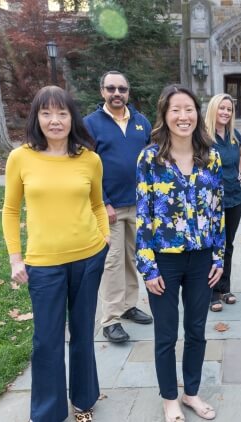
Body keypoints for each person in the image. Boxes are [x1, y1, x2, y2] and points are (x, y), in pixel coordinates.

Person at [2, 86, 110, 422]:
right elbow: (9, 210)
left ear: (71, 117)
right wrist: (15, 258)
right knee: (46, 340)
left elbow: (97, 204)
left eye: (62, 113)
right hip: (44, 264)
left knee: (82, 334)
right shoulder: (20, 158)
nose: (55, 120)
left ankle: (84, 398)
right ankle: (48, 412)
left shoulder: (89, 159)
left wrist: (104, 239)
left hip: (88, 258)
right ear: (36, 118)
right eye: (46, 113)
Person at [135, 84, 225, 422]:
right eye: (176, 109)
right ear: (165, 114)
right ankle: (169, 398)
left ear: (197, 114)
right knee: (166, 333)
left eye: (189, 109)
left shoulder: (211, 157)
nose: (183, 116)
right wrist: (147, 266)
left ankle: (191, 393)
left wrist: (219, 257)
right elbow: (143, 214)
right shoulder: (150, 158)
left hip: (202, 258)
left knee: (197, 330)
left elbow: (218, 212)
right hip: (164, 260)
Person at [84, 70, 153, 344]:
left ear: (128, 92)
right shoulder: (90, 124)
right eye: (111, 88)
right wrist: (103, 202)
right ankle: (110, 319)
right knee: (112, 263)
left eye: (122, 89)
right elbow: (86, 167)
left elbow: (149, 161)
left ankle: (128, 306)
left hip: (138, 204)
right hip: (108, 208)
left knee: (133, 258)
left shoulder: (141, 122)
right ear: (102, 91)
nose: (117, 94)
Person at [204, 93, 241, 312]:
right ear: (213, 109)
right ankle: (211, 293)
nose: (225, 112)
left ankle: (224, 287)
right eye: (222, 108)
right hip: (210, 202)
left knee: (228, 245)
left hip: (234, 198)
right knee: (212, 245)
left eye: (229, 109)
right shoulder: (202, 136)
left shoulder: (233, 135)